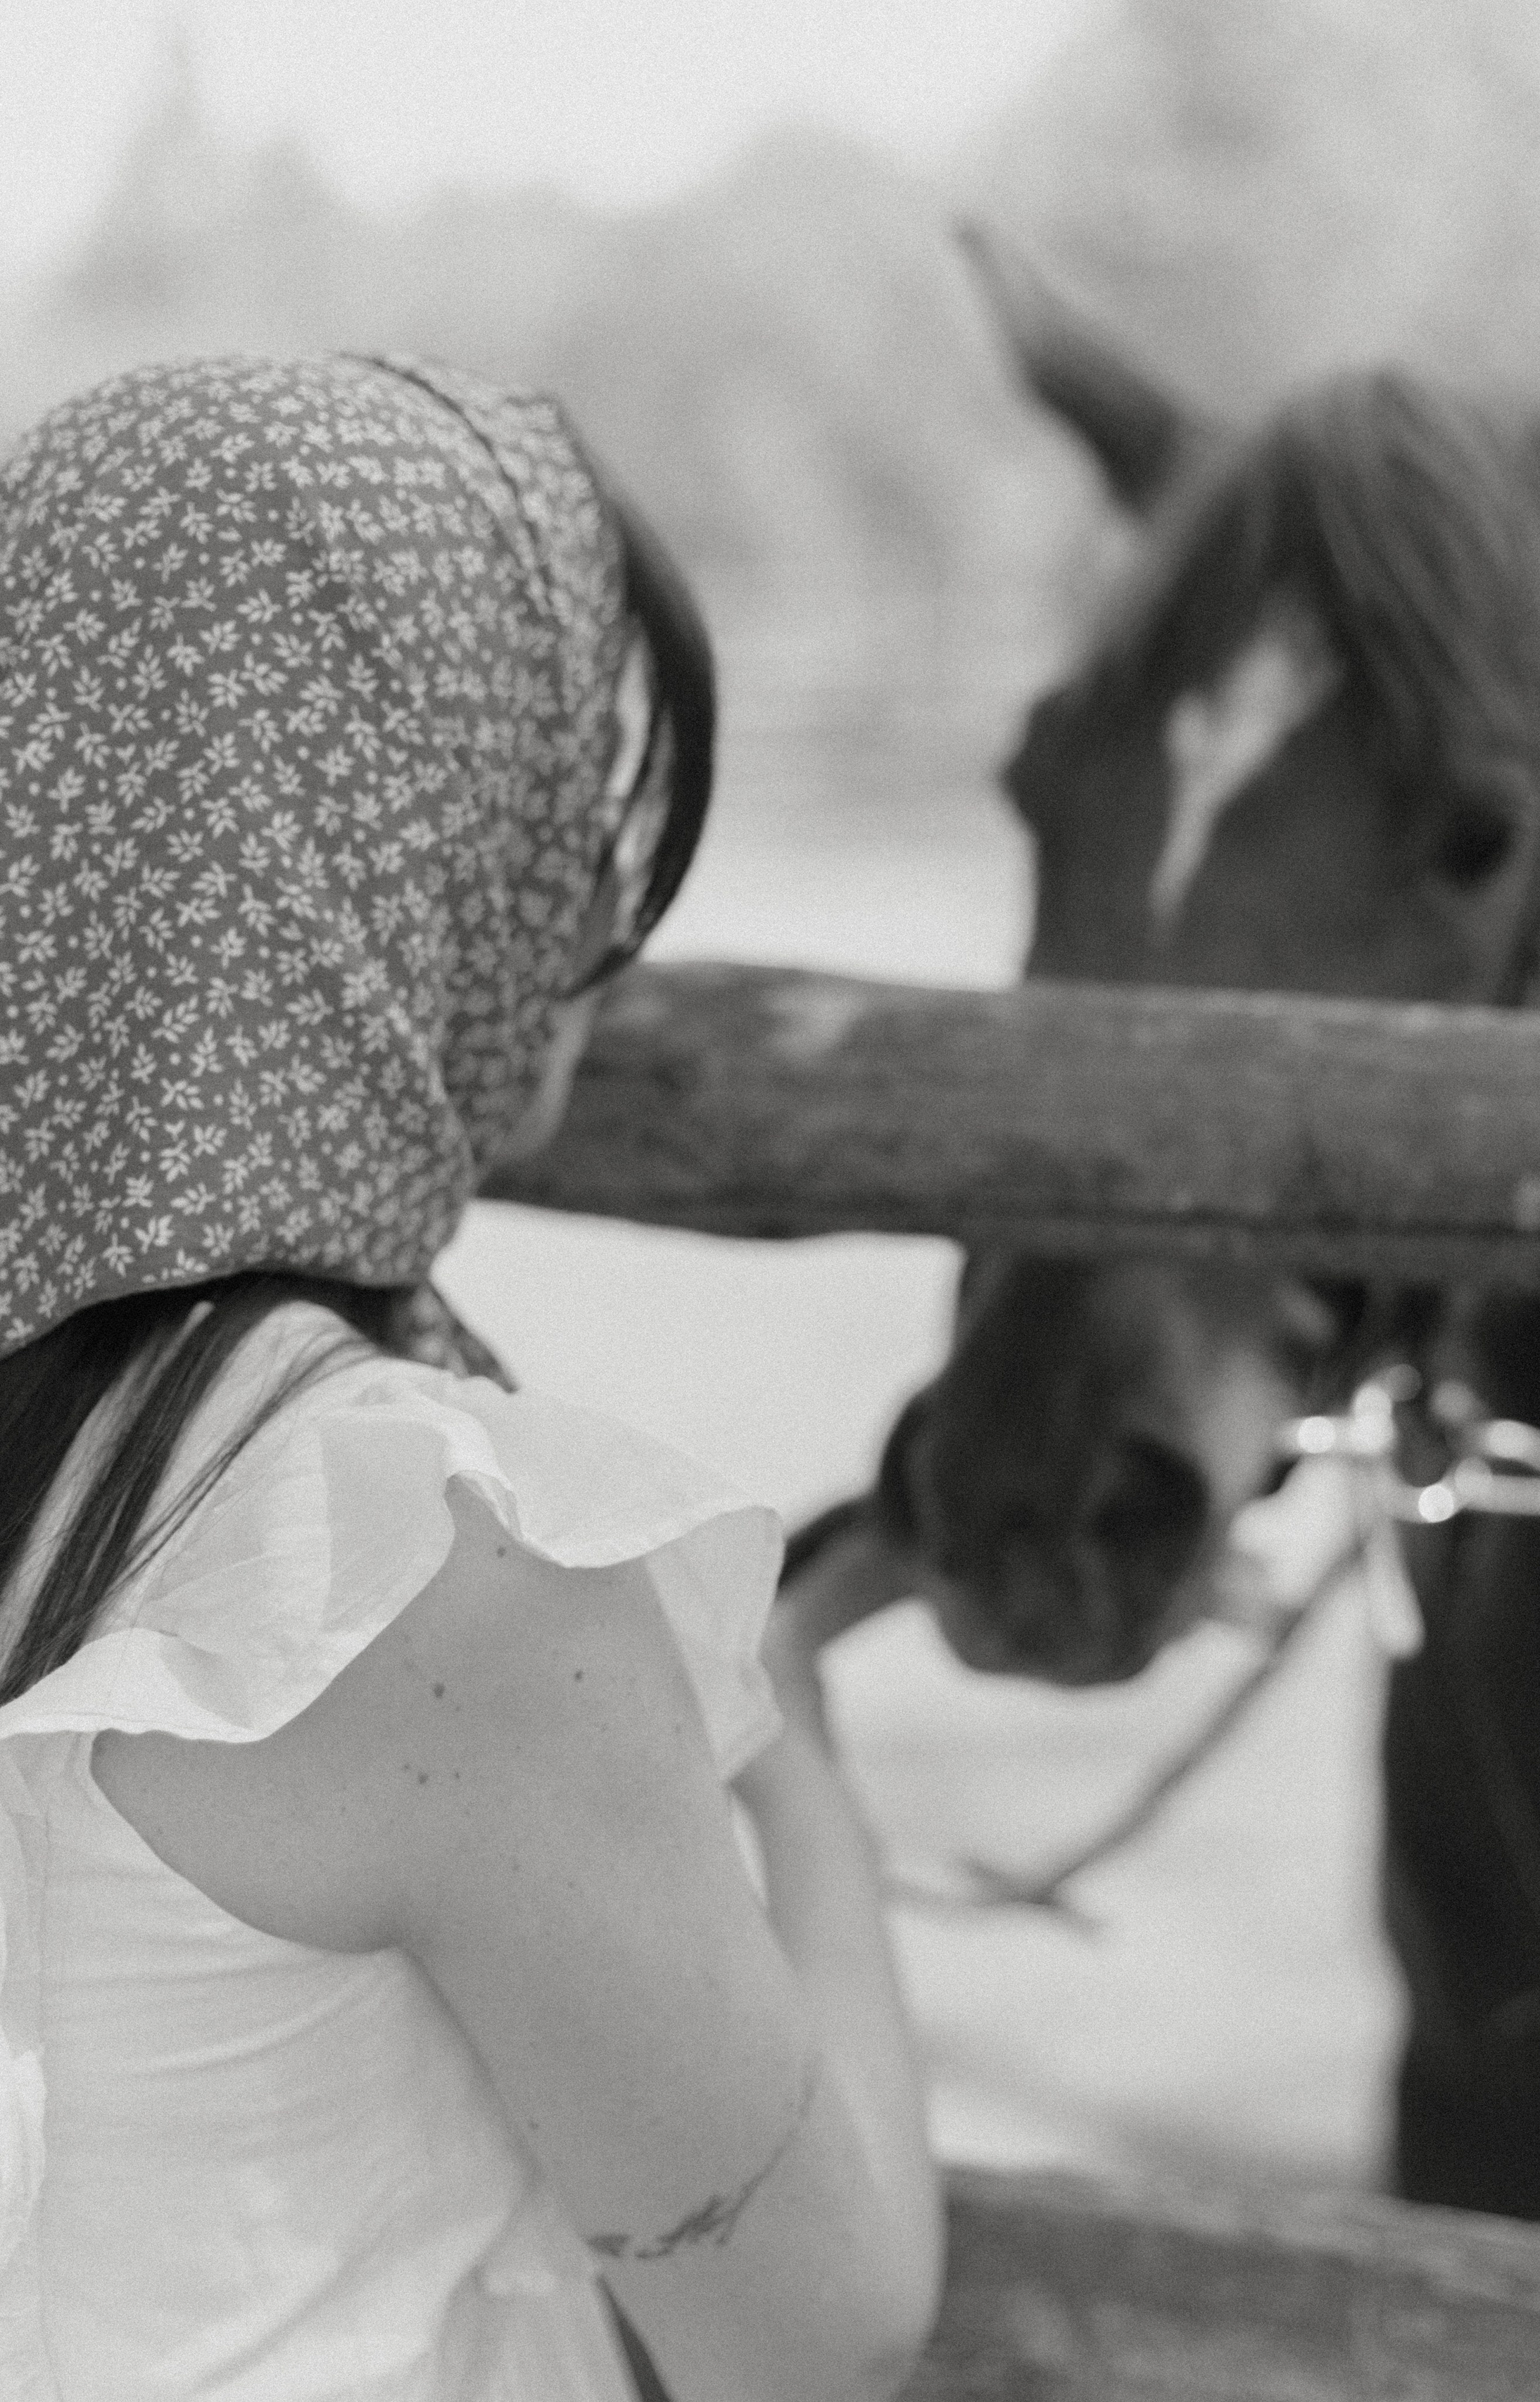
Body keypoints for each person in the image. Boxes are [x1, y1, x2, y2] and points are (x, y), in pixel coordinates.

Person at [0, 353, 943, 2401]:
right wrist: (802, 1771)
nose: (590, 918)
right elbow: (825, 2332)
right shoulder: (420, 1576)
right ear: (405, 839)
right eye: (552, 793)